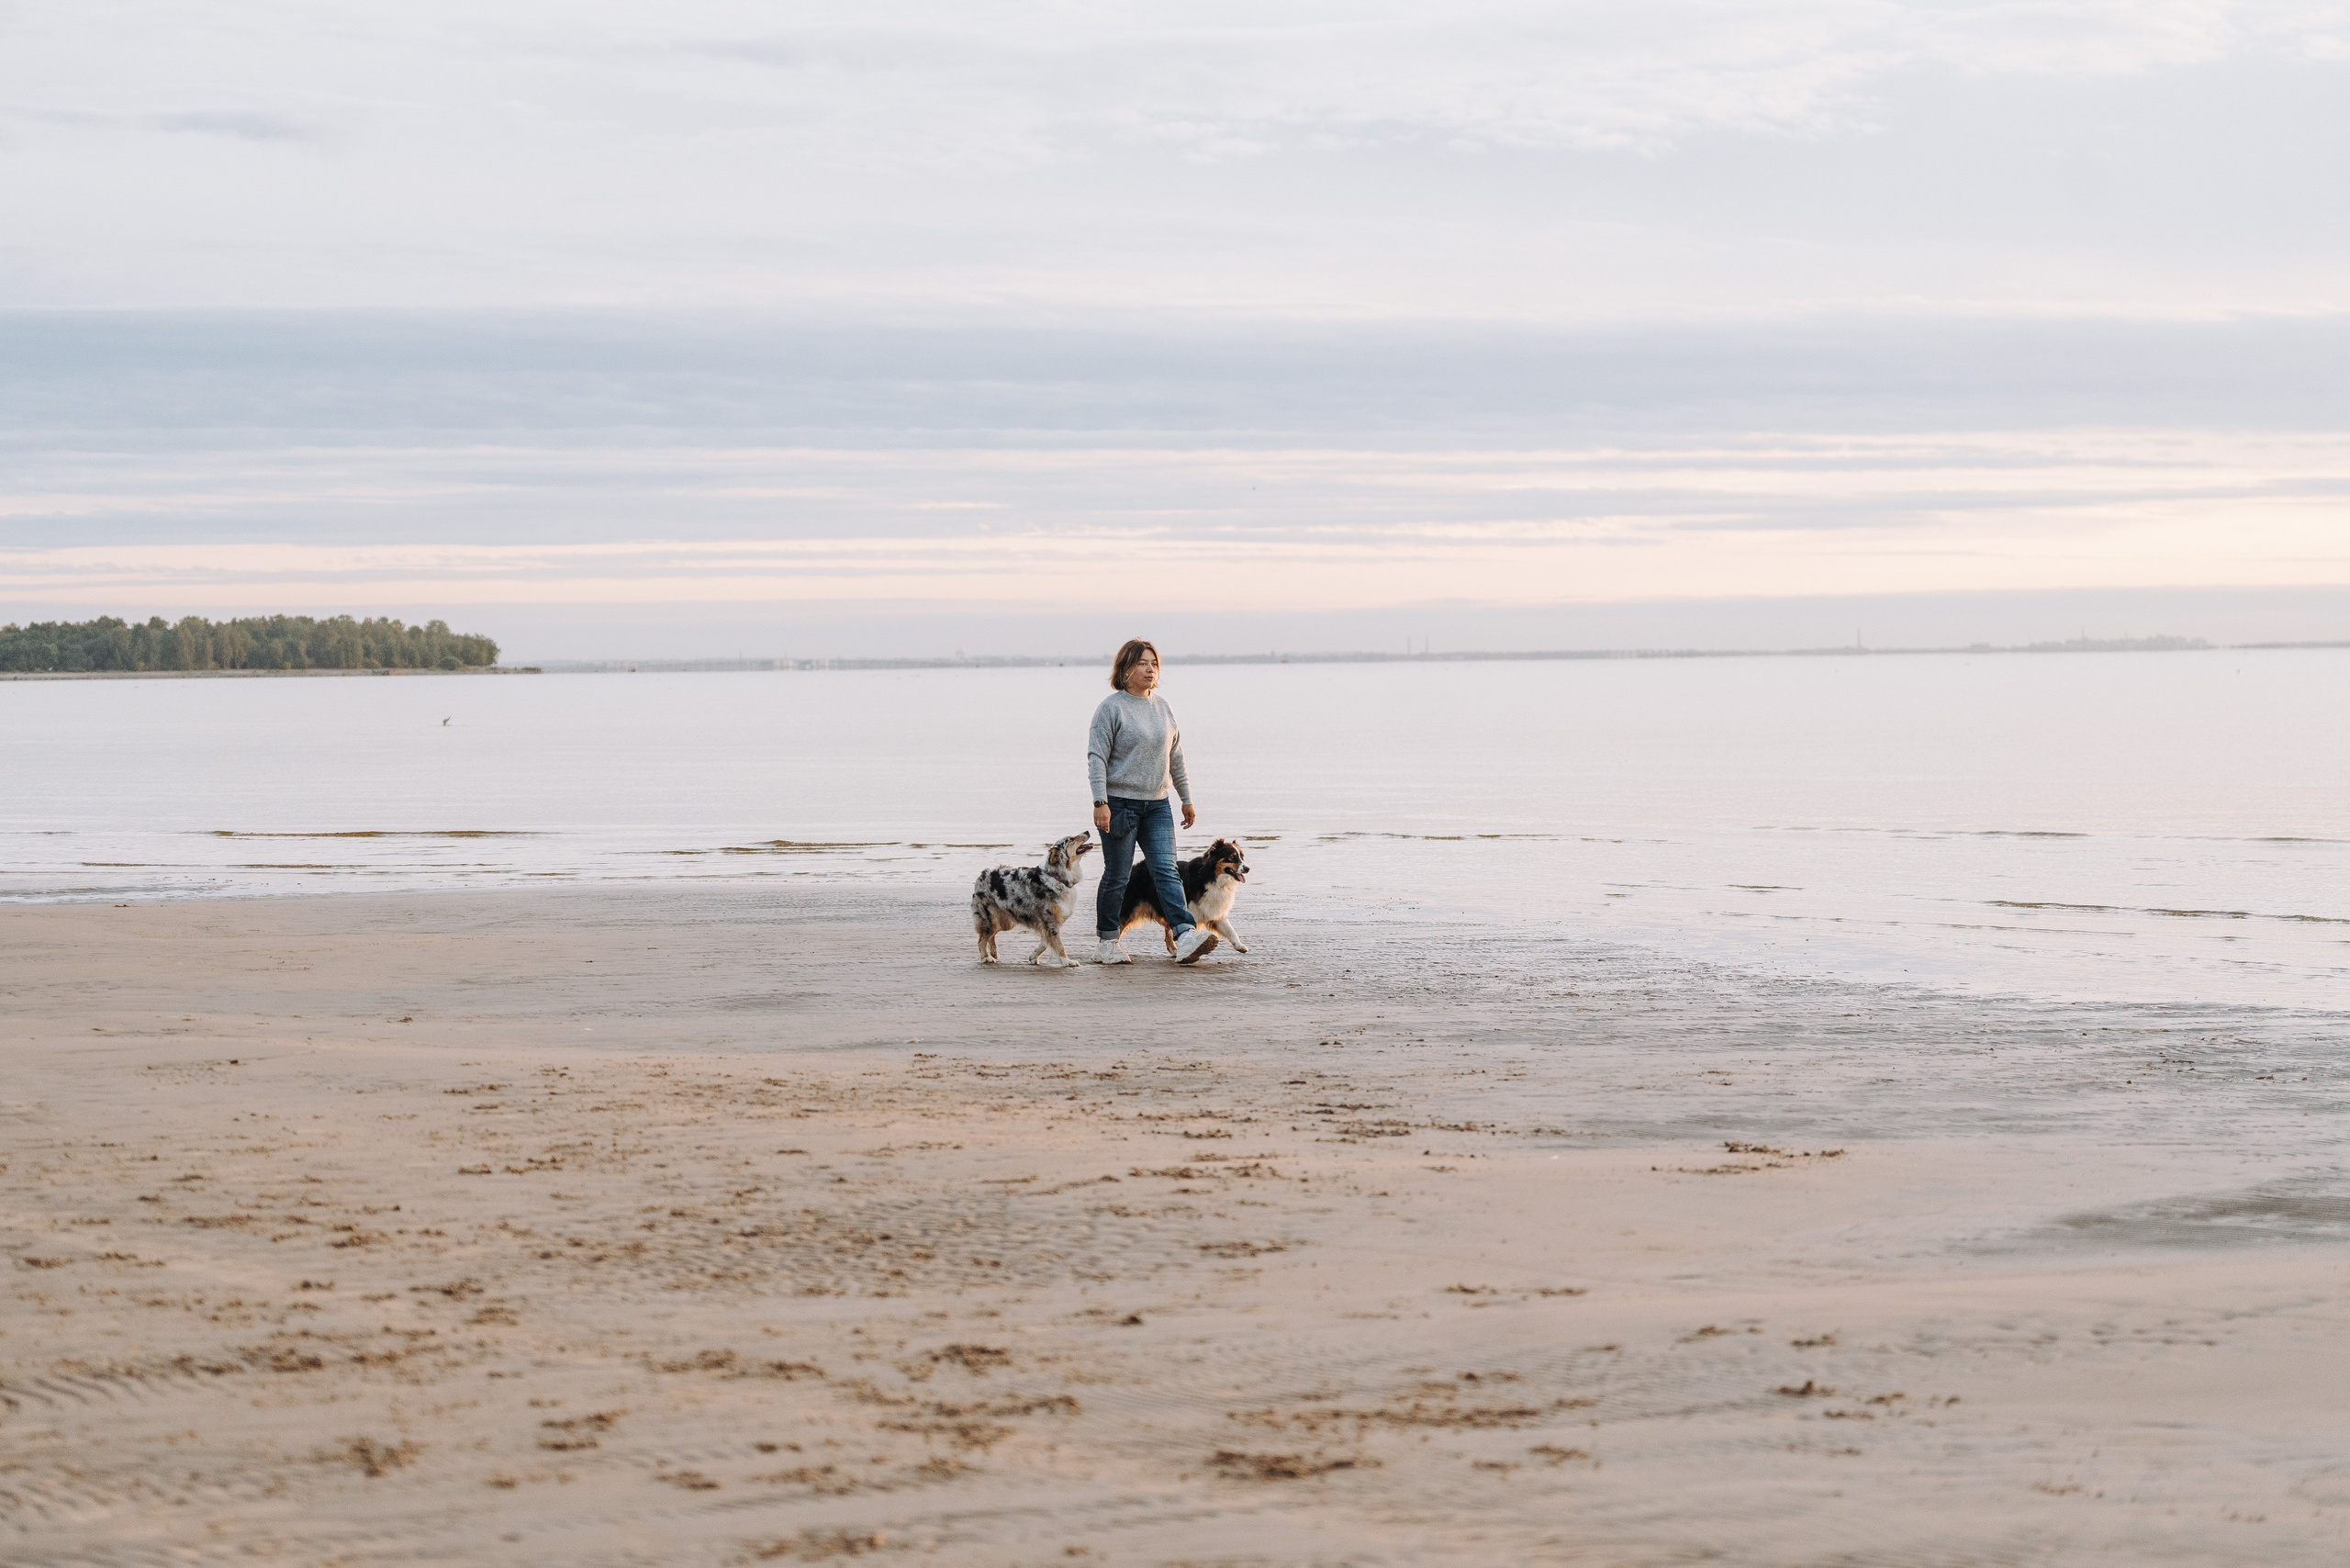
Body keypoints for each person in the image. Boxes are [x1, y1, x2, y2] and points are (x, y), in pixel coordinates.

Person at [1088, 639, 1217, 966]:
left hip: (1158, 804)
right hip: (1119, 804)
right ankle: (1107, 942)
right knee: (1117, 876)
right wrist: (1100, 801)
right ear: (1126, 668)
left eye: (1154, 664)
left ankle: (1185, 935)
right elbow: (1096, 758)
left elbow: (1175, 756)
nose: (1150, 669)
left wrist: (1186, 798)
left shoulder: (1164, 707)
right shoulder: (1111, 708)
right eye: (1143, 663)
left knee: (1166, 870)